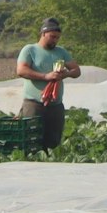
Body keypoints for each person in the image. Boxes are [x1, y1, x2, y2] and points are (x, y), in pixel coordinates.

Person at [15, 17, 80, 149]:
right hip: (34, 105)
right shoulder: (30, 50)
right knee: (31, 141)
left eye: (57, 37)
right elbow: (21, 70)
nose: (55, 40)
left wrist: (64, 74)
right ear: (43, 33)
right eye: (52, 36)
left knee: (53, 143)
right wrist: (46, 76)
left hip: (55, 106)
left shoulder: (61, 52)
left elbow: (76, 70)